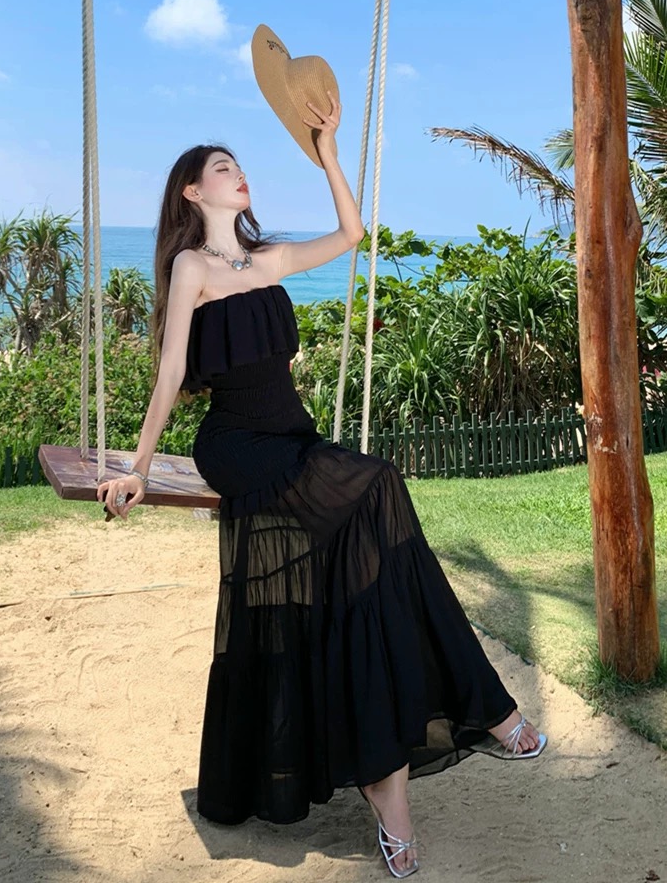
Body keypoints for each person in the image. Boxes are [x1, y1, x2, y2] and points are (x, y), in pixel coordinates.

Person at [96, 91, 547, 879]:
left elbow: (350, 235)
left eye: (239, 166)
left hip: (296, 442)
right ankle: (488, 714)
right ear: (193, 192)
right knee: (378, 488)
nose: (239, 175)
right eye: (223, 169)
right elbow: (170, 374)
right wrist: (137, 464)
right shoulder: (192, 267)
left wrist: (329, 150)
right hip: (238, 447)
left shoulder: (267, 259)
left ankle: (392, 781)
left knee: (369, 586)